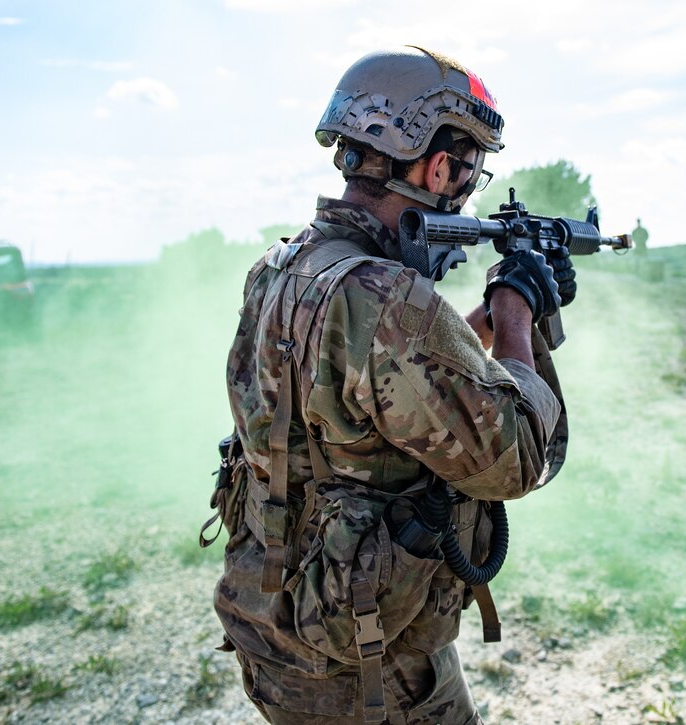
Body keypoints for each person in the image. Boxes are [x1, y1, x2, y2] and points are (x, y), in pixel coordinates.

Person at [208, 46, 573, 724]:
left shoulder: (284, 266)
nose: (465, 189)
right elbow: (518, 455)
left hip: (276, 626)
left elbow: (366, 390)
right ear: (438, 166)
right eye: (467, 171)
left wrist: (482, 324)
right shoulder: (389, 302)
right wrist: (518, 313)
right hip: (369, 669)